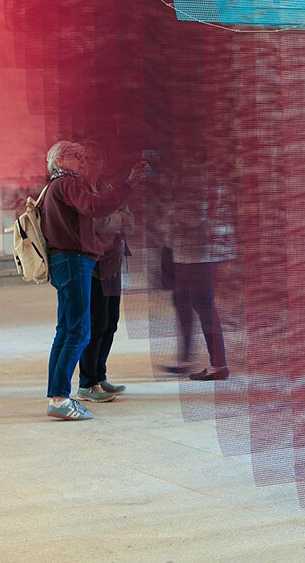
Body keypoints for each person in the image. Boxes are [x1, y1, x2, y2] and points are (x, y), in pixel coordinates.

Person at [41, 141, 146, 420]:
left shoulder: (55, 185)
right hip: (75, 261)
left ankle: (57, 394)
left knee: (65, 331)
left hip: (66, 261)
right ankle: (61, 398)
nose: (83, 160)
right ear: (62, 159)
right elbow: (95, 208)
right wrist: (128, 187)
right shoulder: (69, 182)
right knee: (79, 332)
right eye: (78, 156)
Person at [162, 162, 233, 381]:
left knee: (204, 306)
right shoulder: (195, 182)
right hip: (187, 255)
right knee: (183, 302)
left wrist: (174, 217)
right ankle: (187, 360)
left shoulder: (202, 183)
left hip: (199, 256)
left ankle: (218, 364)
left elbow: (196, 218)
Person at [77, 144, 131, 403]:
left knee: (111, 322)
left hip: (113, 262)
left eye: (100, 158)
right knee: (95, 324)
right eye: (89, 158)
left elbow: (127, 216)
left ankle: (100, 375)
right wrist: (115, 218)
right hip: (93, 265)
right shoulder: (81, 190)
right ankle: (87, 382)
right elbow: (96, 222)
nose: (96, 163)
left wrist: (115, 218)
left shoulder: (106, 187)